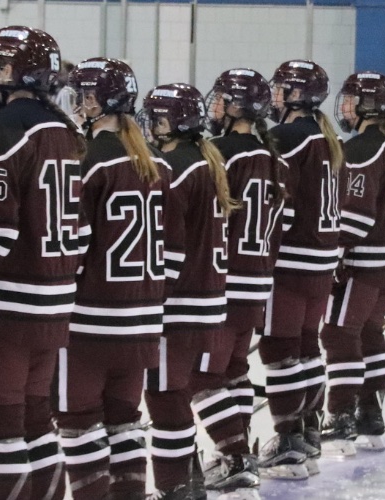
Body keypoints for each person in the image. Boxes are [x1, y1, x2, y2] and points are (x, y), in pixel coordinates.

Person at [0, 25, 85, 500]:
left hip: (9, 304)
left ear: (12, 71)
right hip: (56, 301)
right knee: (36, 418)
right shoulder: (66, 130)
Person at [53, 57, 170, 500]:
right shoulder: (157, 163)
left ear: (97, 101)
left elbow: (73, 246)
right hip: (142, 322)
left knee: (78, 422)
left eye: (82, 96)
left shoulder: (88, 161)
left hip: (89, 323)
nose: (77, 106)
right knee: (124, 421)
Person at [139, 82, 237, 500]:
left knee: (165, 395)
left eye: (158, 119)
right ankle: (190, 480)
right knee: (177, 390)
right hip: (207, 299)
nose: (151, 126)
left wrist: (152, 299)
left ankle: (175, 486)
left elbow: (170, 245)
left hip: (180, 303)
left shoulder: (175, 165)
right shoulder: (202, 159)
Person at [194, 67, 284, 498]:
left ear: (236, 107)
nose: (214, 107)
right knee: (233, 371)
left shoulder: (218, 152)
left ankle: (235, 458)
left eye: (221, 100)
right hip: (258, 280)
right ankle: (238, 449)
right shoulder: (269, 155)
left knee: (204, 377)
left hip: (223, 282)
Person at [319, 70, 385, 455]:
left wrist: (335, 254)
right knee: (370, 332)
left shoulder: (363, 148)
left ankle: (341, 416)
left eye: (350, 99)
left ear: (366, 105)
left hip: (365, 260)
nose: (344, 107)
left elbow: (355, 217)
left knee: (340, 335)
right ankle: (370, 413)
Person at [258, 59, 344, 480]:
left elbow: (281, 209)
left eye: (281, 89)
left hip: (292, 261)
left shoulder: (287, 135)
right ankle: (308, 430)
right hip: (323, 259)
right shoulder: (326, 136)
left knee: (279, 348)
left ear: (295, 94)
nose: (275, 96)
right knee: (307, 345)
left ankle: (290, 440)